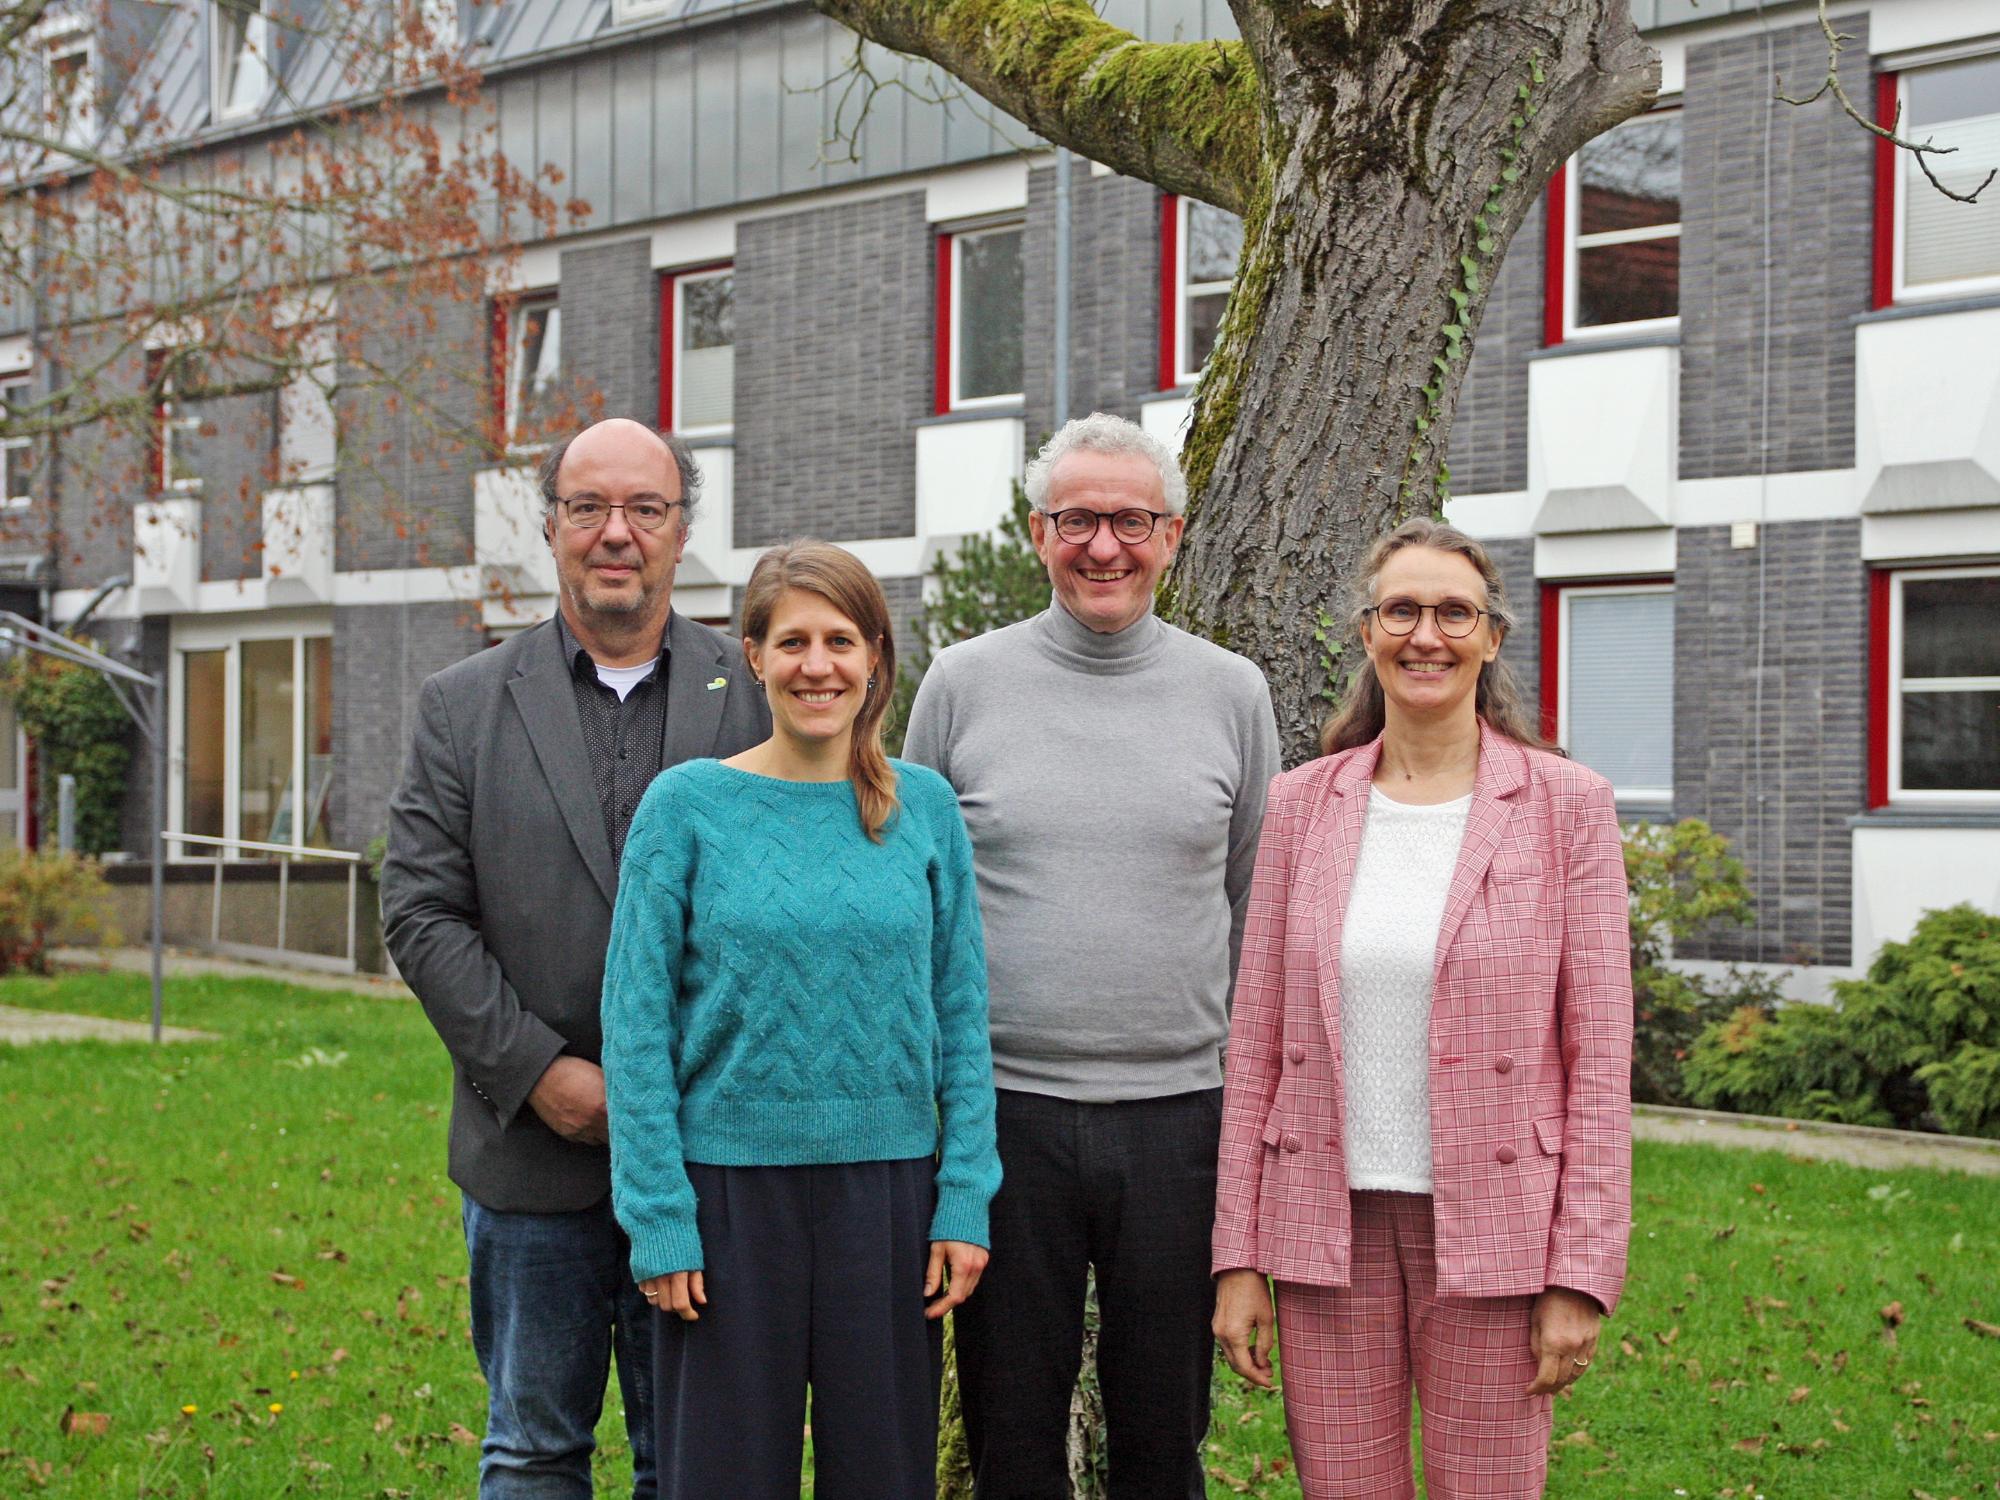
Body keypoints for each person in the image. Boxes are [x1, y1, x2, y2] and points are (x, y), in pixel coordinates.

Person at [381, 418, 770, 1499]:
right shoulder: (460, 707)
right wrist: (537, 1074)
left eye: (644, 509)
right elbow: (419, 911)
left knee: (686, 1459)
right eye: (589, 508)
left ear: (680, 530)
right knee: (531, 1452)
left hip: (706, 1155)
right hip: (530, 1159)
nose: (616, 534)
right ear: (547, 527)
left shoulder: (753, 692)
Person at [1210, 517, 1633, 1499]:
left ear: (1490, 638)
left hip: (1496, 1228)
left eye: (1454, 613)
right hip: (1325, 1228)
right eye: (1401, 610)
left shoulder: (1565, 807)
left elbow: (1599, 1058)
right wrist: (1238, 1254)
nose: (1425, 636)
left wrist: (1579, 1272)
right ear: (1366, 632)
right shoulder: (1301, 805)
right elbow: (1257, 1038)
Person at [904, 411, 1281, 1498]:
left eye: (1129, 521)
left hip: (1178, 1117)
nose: (1102, 547)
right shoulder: (961, 685)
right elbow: (917, 899)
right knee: (1010, 1434)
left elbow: (1251, 908)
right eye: (1076, 520)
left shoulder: (1231, 693)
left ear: (1171, 536)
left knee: (1162, 1435)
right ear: (1036, 533)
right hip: (1000, 1117)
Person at [599, 540, 1002, 1500]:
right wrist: (657, 1217)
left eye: (839, 641)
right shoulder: (687, 808)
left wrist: (963, 1198)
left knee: (884, 1476)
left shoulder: (926, 809)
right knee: (726, 1477)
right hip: (728, 1200)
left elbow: (964, 1009)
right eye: (792, 642)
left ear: (874, 657)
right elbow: (635, 1024)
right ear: (753, 655)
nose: (816, 666)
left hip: (891, 1201)